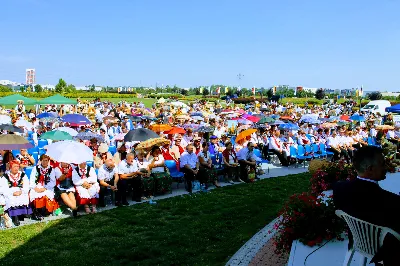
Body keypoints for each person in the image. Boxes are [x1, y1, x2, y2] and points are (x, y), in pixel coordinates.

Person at [333, 146, 400, 266]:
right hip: (383, 252)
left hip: (359, 241)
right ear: (370, 169)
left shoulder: (339, 188)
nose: (386, 167)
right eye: (383, 164)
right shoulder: (390, 201)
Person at [0, 160, 31, 226]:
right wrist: (12, 193)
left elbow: (27, 185)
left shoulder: (22, 175)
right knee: (11, 199)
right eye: (14, 166)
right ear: (10, 167)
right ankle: (15, 216)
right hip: (10, 193)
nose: (16, 168)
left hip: (20, 191)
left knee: (23, 196)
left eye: (17, 166)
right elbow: (3, 189)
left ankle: (23, 214)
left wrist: (21, 191)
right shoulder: (5, 176)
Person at [29, 154, 59, 220]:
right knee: (35, 194)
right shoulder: (36, 168)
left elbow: (52, 182)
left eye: (46, 161)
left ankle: (44, 211)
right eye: (43, 160)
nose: (45, 162)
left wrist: (45, 188)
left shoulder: (51, 169)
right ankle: (36, 211)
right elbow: (32, 180)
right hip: (37, 186)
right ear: (40, 161)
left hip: (47, 187)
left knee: (46, 195)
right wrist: (35, 188)